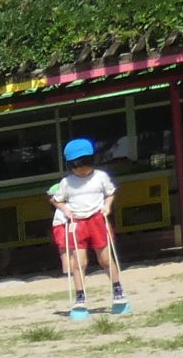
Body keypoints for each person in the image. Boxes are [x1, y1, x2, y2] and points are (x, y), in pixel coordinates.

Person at [48, 137, 128, 319]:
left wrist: (107, 206)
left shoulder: (100, 177)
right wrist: (66, 211)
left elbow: (110, 193)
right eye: (77, 166)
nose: (82, 170)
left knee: (106, 259)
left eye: (85, 164)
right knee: (79, 262)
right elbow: (56, 199)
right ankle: (80, 297)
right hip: (77, 224)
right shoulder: (67, 183)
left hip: (97, 220)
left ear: (93, 160)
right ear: (71, 165)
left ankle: (117, 290)